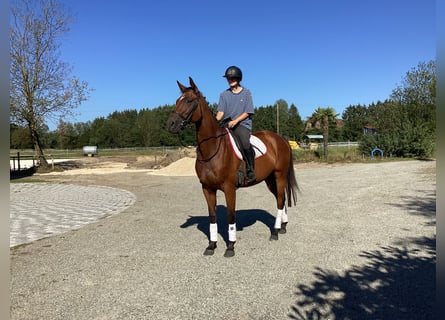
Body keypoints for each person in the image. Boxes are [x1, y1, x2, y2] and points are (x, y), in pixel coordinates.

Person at [216, 65, 256, 183]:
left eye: (232, 78)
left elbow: (248, 112)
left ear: (238, 79)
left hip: (242, 124)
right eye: (228, 78)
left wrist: (235, 121)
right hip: (227, 123)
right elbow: (221, 113)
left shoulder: (246, 93)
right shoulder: (224, 95)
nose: (230, 80)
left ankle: (250, 169)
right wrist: (214, 121)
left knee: (244, 142)